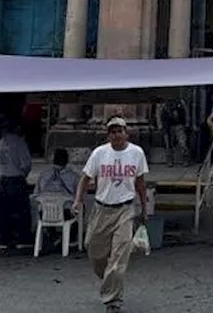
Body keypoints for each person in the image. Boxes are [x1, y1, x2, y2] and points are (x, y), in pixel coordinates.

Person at [74, 117, 149, 313]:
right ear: (108, 135)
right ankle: (110, 280)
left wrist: (143, 207)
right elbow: (85, 178)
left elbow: (140, 182)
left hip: (125, 209)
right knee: (93, 250)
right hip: (102, 209)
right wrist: (78, 200)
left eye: (120, 131)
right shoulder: (100, 153)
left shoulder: (136, 153)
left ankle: (112, 300)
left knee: (118, 259)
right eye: (113, 132)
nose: (116, 135)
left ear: (126, 133)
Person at [0, 120, 33, 251]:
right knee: (22, 210)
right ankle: (22, 238)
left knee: (4, 210)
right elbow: (26, 163)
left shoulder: (1, 143)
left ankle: (5, 238)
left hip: (5, 179)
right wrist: (24, 174)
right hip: (17, 179)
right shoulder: (19, 142)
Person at [34, 148, 80, 252]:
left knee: (47, 211)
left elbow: (36, 193)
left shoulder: (44, 175)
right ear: (67, 160)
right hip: (66, 213)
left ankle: (52, 236)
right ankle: (70, 238)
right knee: (80, 210)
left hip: (44, 213)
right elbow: (79, 195)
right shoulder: (74, 177)